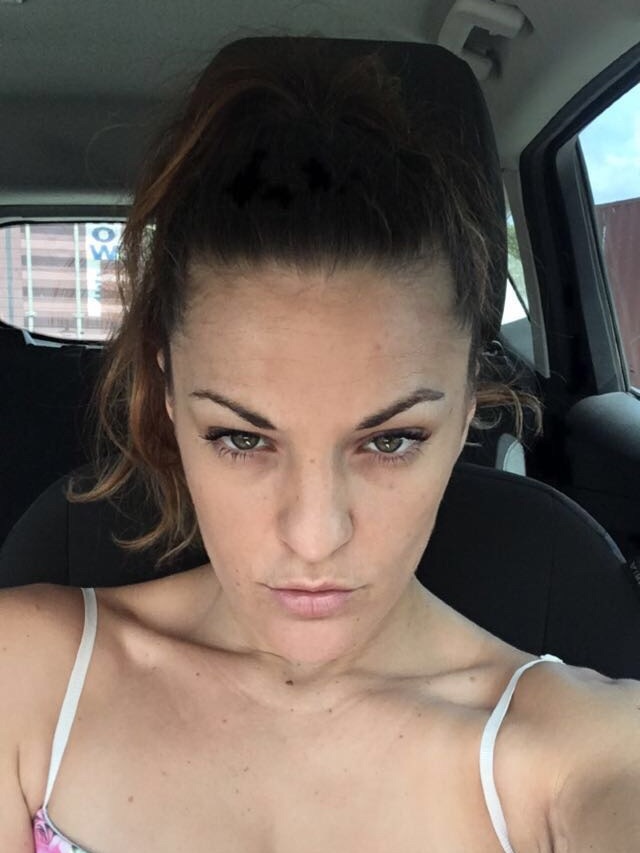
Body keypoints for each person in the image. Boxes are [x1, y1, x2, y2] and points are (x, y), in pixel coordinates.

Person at [2, 37, 638, 853]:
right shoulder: (26, 676)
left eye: (392, 439)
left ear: (468, 412)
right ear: (166, 397)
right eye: (241, 437)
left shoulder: (585, 752)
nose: (313, 536)